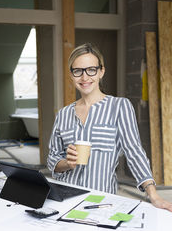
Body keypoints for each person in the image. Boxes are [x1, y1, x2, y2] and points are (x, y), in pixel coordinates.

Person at [47, 43, 172, 212]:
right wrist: (68, 164)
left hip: (102, 202)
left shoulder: (119, 106)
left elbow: (134, 152)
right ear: (71, 75)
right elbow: (53, 158)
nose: (84, 77)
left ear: (101, 72)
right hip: (67, 200)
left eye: (91, 69)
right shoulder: (63, 114)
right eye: (78, 71)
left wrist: (153, 195)